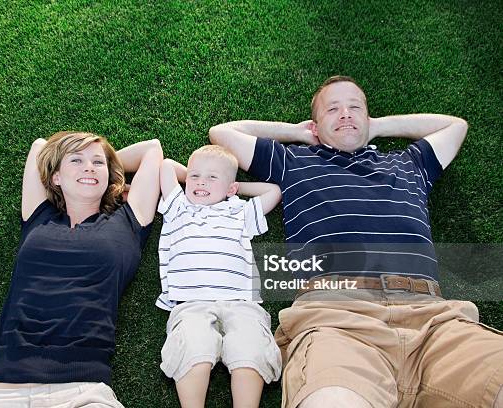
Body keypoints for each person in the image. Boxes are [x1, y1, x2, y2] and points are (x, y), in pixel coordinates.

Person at [209, 76, 503, 408]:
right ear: (316, 126)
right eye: (333, 109)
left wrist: (377, 126)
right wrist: (296, 133)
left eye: (355, 108)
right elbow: (223, 134)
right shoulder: (294, 162)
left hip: (435, 323)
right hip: (338, 320)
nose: (346, 114)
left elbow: (455, 127)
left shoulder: (410, 164)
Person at [0, 131, 163, 407]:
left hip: (84, 388)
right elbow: (38, 147)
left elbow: (152, 150)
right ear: (55, 177)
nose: (88, 167)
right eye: (76, 161)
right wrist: (89, 164)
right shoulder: (39, 216)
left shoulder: (129, 221)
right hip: (2, 387)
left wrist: (105, 166)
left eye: (97, 163)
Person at [156, 145, 283, 408]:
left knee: (251, 347)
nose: (201, 182)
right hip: (191, 303)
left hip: (241, 302)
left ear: (230, 189)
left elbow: (274, 191)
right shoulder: (178, 207)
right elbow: (167, 165)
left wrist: (234, 188)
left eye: (212, 177)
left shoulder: (240, 212)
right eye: (195, 176)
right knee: (192, 346)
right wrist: (199, 177)